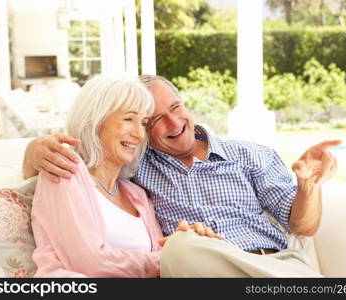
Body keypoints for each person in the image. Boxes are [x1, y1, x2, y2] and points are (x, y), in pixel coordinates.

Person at [24, 74, 340, 277]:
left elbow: (302, 226)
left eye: (176, 108)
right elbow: (66, 176)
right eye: (155, 120)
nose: (174, 124)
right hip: (199, 270)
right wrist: (34, 151)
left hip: (273, 265)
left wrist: (308, 188)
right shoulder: (135, 169)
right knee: (182, 249)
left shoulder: (251, 155)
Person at [30, 75, 221, 278]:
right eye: (129, 119)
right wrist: (173, 258)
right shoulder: (64, 172)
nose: (139, 135)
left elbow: (159, 258)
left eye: (143, 123)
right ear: (95, 122)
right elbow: (90, 262)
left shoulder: (136, 193)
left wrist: (186, 244)